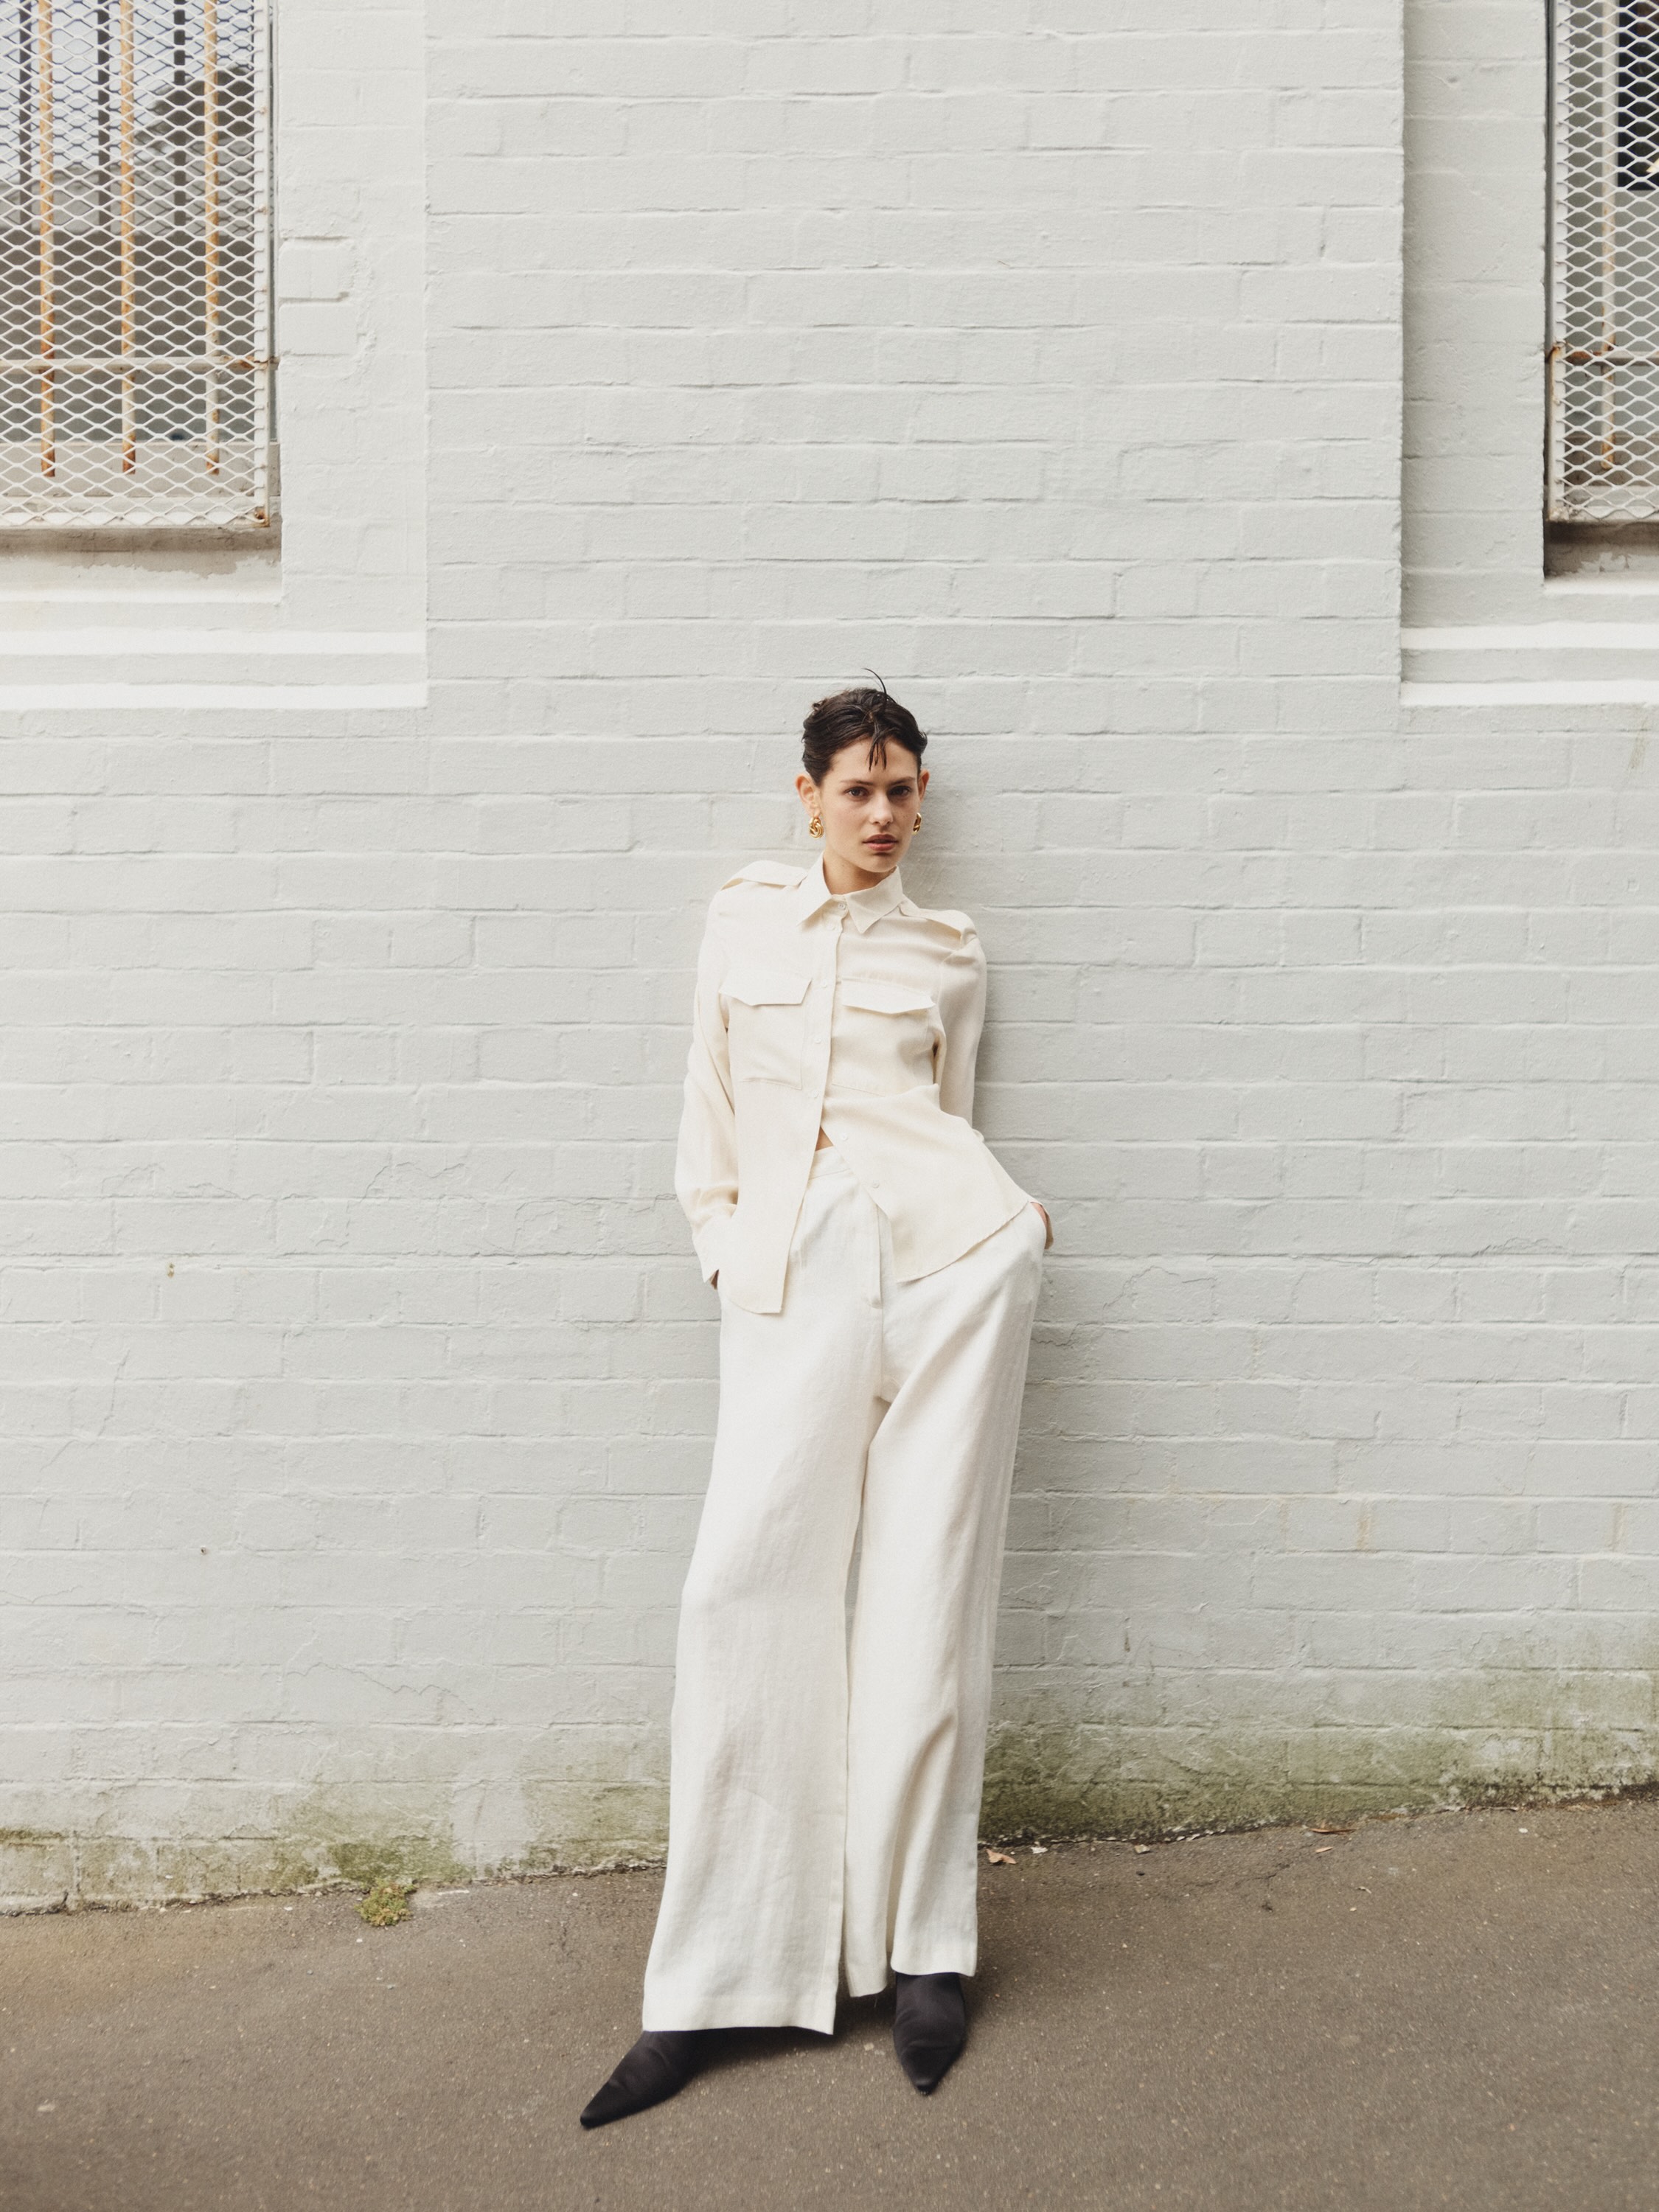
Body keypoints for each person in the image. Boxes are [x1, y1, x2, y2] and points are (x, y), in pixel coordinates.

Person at [580, 686, 1051, 2128]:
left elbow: (951, 1114)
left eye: (903, 790)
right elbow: (709, 1102)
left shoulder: (948, 952)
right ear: (809, 797)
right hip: (795, 1276)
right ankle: (711, 1984)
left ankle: (922, 1955)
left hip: (952, 1270)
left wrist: (1012, 1229)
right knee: (743, 1592)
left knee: (926, 1600)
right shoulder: (742, 923)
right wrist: (724, 1247)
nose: (883, 813)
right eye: (858, 789)